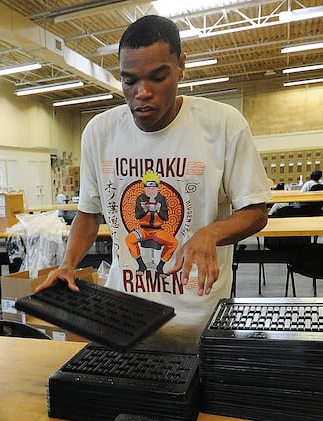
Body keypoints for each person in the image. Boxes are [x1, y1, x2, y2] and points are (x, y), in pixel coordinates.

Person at [35, 14, 271, 353]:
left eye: (158, 77)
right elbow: (89, 214)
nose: (142, 93)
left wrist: (210, 234)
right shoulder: (100, 133)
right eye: (129, 81)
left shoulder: (222, 125)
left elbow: (256, 211)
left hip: (198, 324)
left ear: (181, 66)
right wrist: (68, 264)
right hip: (125, 320)